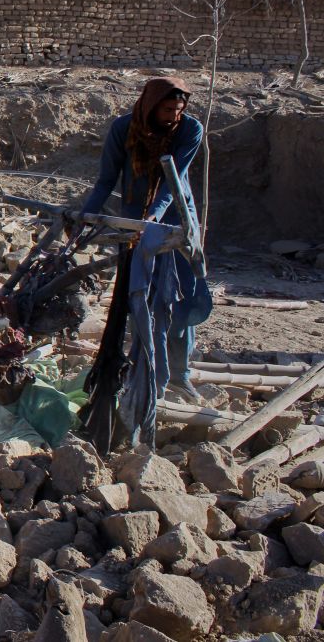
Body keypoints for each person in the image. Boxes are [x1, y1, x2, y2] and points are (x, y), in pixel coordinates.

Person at [78, 76, 211, 445]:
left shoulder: (191, 130)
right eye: (168, 109)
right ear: (151, 104)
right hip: (132, 221)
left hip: (176, 221)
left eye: (179, 109)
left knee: (178, 300)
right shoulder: (123, 129)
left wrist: (154, 218)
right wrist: (85, 218)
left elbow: (173, 180)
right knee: (139, 300)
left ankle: (179, 375)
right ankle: (143, 374)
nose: (174, 116)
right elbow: (106, 180)